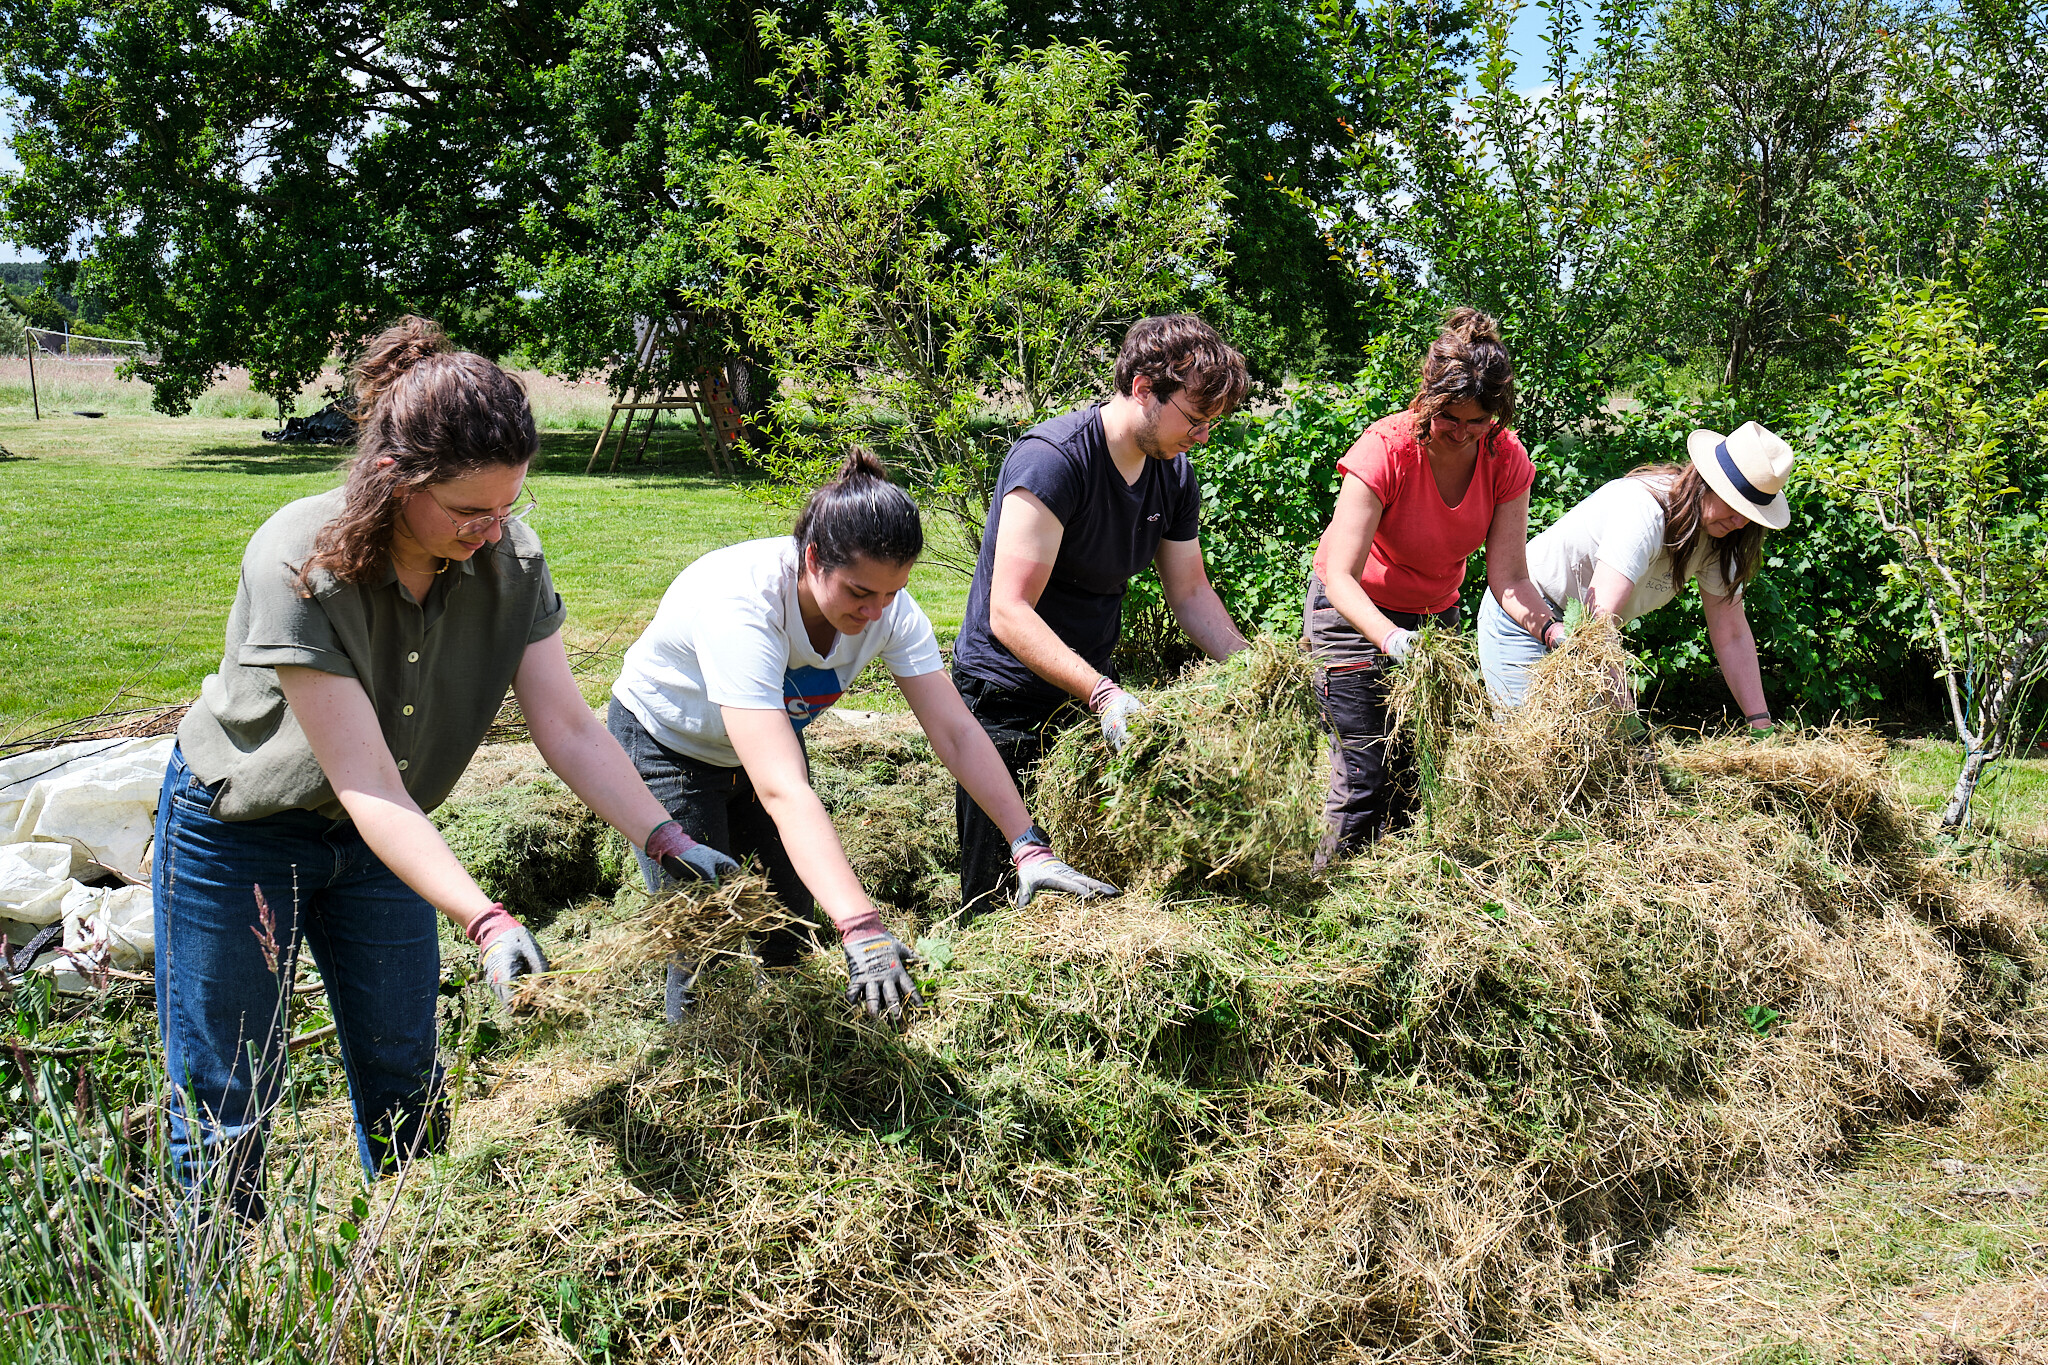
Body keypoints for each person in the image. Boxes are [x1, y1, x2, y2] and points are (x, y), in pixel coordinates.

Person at [154, 317, 734, 1222]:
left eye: (509, 505)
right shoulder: (299, 558)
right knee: (229, 1099)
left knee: (408, 1085)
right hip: (242, 834)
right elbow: (368, 781)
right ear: (395, 478)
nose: (491, 529)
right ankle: (214, 1310)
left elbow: (570, 727)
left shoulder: (511, 559)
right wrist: (487, 919)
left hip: (390, 844)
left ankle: (407, 1282)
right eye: (469, 511)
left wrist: (663, 834)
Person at [608, 451, 1116, 1023]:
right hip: (669, 745)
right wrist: (862, 925)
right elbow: (782, 789)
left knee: (789, 919)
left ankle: (795, 1059)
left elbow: (955, 732)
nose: (875, 612)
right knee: (706, 936)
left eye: (890, 593)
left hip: (761, 748)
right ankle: (699, 1080)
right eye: (858, 593)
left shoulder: (891, 612)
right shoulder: (744, 605)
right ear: (813, 558)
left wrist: (1027, 845)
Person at [950, 315, 1253, 918]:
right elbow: (1008, 611)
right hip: (1005, 696)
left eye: (1213, 424)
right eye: (1195, 419)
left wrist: (1256, 669)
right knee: (998, 898)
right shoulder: (1054, 462)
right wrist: (1103, 693)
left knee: (1087, 883)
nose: (1202, 437)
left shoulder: (1173, 473)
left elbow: (1190, 592)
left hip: (1088, 694)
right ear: (1143, 387)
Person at [1304, 307, 1555, 865]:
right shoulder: (1387, 447)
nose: (1462, 434)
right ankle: (1323, 903)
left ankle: (1395, 904)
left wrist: (1555, 633)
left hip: (1433, 619)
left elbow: (1510, 577)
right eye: (1450, 420)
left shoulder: (1504, 458)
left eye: (1477, 423)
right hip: (1351, 612)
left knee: (1419, 772)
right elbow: (1340, 575)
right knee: (1365, 773)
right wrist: (1391, 641)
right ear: (1429, 399)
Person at [1477, 420, 1796, 728]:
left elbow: (1731, 632)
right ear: (1708, 481)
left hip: (1586, 632)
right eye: (1735, 505)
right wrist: (1630, 725)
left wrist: (1760, 723)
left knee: (1591, 760)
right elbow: (1595, 627)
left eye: (1751, 514)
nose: (1740, 522)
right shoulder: (1645, 512)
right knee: (1534, 747)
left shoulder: (1722, 538)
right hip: (1525, 610)